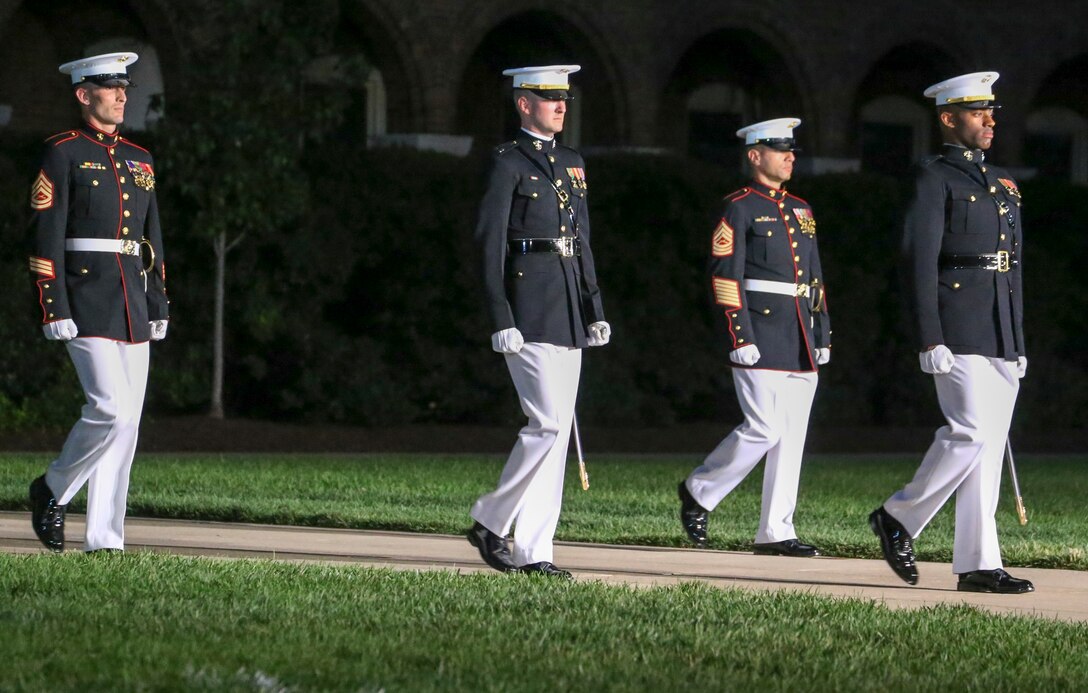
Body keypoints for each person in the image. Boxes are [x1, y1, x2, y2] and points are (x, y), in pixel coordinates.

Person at [869, 72, 1033, 594]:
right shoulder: (933, 178)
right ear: (947, 118)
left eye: (992, 111)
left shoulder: (1002, 182)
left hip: (1000, 329)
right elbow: (918, 261)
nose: (990, 120)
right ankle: (898, 516)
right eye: (977, 112)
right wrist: (928, 335)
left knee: (987, 447)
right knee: (970, 433)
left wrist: (1018, 339)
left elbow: (1012, 267)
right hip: (957, 323)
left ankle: (979, 563)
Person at [467, 65, 609, 579]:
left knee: (555, 437)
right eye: (548, 97)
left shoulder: (571, 162)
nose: (560, 105)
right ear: (523, 103)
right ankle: (489, 520)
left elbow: (582, 238)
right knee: (546, 423)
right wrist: (500, 313)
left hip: (568, 304)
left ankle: (535, 551)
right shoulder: (506, 162)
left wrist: (594, 307)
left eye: (564, 97)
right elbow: (490, 243)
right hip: (527, 306)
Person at [27, 52, 169, 554]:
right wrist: (53, 305)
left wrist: (159, 301)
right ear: (84, 94)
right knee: (107, 408)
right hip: (84, 295)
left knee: (127, 424)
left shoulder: (140, 159)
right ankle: (52, 489)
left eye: (124, 87)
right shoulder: (63, 153)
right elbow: (47, 236)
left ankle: (106, 539)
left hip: (133, 296)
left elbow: (151, 239)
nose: (121, 95)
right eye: (110, 87)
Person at [678, 118, 830, 558]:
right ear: (754, 155)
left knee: (791, 437)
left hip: (800, 330)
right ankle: (699, 491)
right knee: (763, 428)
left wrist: (821, 328)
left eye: (792, 150)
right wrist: (737, 331)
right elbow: (725, 275)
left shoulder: (802, 208)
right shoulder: (739, 207)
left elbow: (815, 277)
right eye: (780, 149)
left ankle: (777, 531)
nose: (790, 156)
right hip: (760, 330)